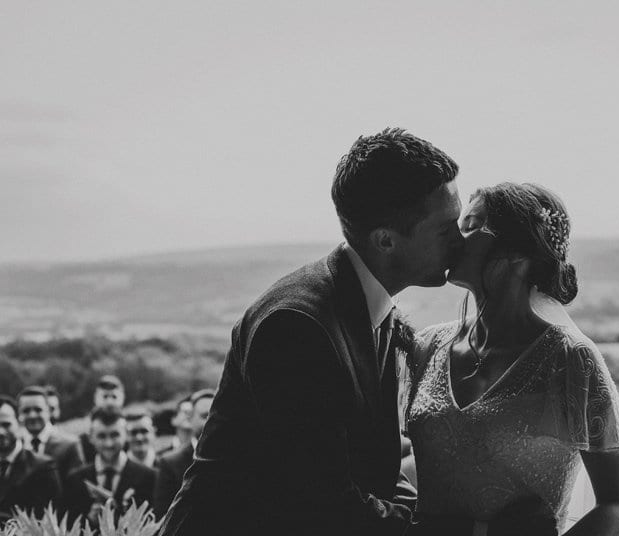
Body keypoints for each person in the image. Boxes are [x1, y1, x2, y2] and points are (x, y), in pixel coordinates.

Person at [159, 128, 464, 535]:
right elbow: (322, 502)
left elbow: (375, 467)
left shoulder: (369, 302)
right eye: (446, 229)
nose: (460, 242)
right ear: (386, 240)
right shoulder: (295, 327)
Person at [404, 183, 619, 536]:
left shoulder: (571, 361)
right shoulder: (427, 346)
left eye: (471, 224)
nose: (454, 234)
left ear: (516, 251)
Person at [63, 408, 155, 524]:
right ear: (90, 437)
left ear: (126, 434)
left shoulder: (150, 476)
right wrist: (89, 520)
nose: (109, 443)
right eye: (101, 436)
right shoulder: (75, 480)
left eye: (114, 435)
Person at [0, 395, 62, 526]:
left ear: (19, 422)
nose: (0, 431)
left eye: (6, 424)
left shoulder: (43, 467)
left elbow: (47, 520)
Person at [154, 389, 214, 518]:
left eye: (215, 416)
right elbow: (162, 516)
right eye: (204, 416)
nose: (211, 422)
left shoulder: (232, 458)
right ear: (190, 419)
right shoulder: (170, 463)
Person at [17, 386, 85, 480]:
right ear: (19, 413)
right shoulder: (16, 444)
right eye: (26, 411)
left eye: (38, 409)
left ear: (48, 411)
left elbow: (77, 487)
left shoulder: (69, 445)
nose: (32, 415)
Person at [79, 375, 126, 463]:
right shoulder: (84, 436)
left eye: (114, 397)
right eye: (105, 396)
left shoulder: (132, 428)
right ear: (95, 398)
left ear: (122, 398)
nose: (109, 401)